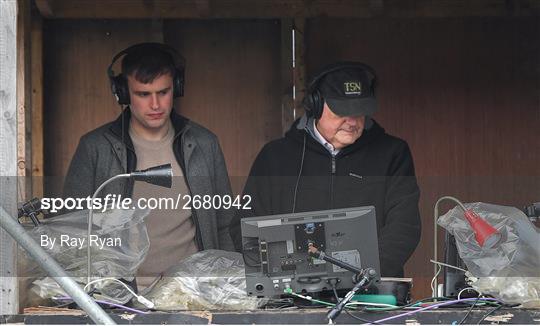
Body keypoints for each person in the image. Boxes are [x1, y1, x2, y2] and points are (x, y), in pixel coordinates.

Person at [63, 43, 235, 287]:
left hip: (193, 294)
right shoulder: (95, 147)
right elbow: (71, 226)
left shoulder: (204, 144)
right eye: (143, 94)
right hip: (119, 296)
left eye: (163, 92)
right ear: (123, 93)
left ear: (176, 87)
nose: (155, 105)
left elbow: (225, 223)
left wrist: (229, 286)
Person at [229, 62, 421, 277]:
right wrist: (277, 274)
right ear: (316, 105)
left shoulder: (392, 153)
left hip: (370, 292)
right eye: (343, 112)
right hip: (291, 296)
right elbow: (245, 226)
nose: (352, 121)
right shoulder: (275, 157)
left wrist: (366, 275)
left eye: (360, 111)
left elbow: (404, 226)